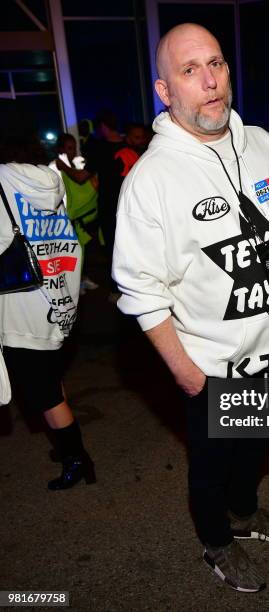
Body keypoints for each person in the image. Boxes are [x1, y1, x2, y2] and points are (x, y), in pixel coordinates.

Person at [112, 23, 269, 592]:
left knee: (257, 446)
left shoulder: (263, 144)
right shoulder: (151, 180)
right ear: (165, 92)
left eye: (217, 64)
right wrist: (187, 374)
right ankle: (217, 540)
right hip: (211, 368)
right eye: (190, 71)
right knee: (211, 465)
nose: (210, 82)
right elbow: (139, 290)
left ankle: (246, 513)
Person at [0, 103, 95, 490]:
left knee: (39, 391)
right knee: (49, 378)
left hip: (21, 306)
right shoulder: (49, 177)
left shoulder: (2, 180)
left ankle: (77, 458)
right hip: (55, 299)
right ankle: (67, 443)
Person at [49, 133, 99, 294]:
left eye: (74, 148)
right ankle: (75, 283)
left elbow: (86, 183)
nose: (73, 151)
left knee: (82, 254)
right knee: (71, 255)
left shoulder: (75, 165)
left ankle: (82, 279)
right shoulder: (55, 168)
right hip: (67, 219)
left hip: (84, 218)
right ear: (60, 149)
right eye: (69, 148)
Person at [84, 110, 124, 300]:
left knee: (112, 248)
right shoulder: (128, 144)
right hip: (129, 204)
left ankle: (116, 290)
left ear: (102, 127)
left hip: (109, 206)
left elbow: (82, 176)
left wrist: (62, 165)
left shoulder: (99, 148)